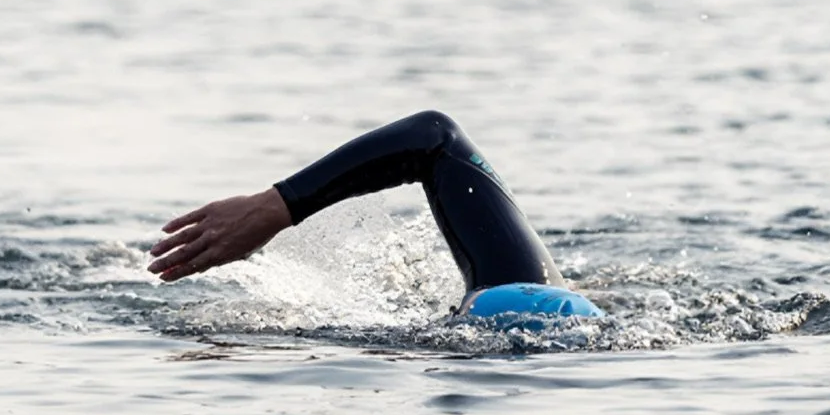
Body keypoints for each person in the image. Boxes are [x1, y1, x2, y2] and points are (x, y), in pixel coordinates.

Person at [149, 108, 601, 321]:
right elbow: (434, 138)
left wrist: (276, 205)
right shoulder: (538, 301)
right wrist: (276, 206)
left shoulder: (524, 305)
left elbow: (435, 137)